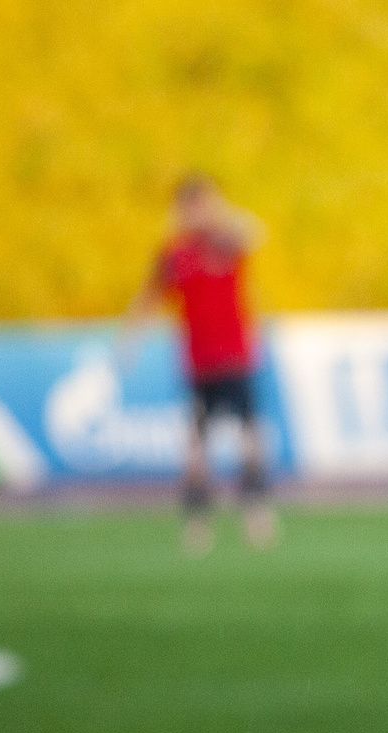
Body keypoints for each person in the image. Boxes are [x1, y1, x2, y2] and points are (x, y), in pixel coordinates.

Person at [126, 174, 273, 557]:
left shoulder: (227, 241)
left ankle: (256, 511)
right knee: (196, 448)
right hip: (199, 363)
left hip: (236, 357)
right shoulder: (175, 255)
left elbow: (255, 232)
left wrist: (218, 215)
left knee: (250, 439)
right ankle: (197, 520)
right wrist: (129, 340)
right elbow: (149, 296)